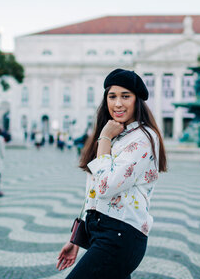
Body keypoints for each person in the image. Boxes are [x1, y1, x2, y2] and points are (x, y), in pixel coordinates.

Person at [57, 68, 167, 278]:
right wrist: (76, 239)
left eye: (125, 96)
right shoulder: (116, 135)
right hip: (102, 233)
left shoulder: (143, 138)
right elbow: (92, 191)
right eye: (112, 96)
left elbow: (105, 187)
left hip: (121, 236)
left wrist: (104, 137)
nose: (118, 103)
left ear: (137, 101)